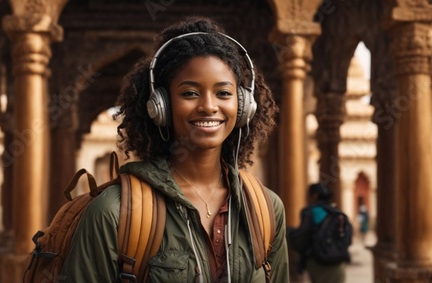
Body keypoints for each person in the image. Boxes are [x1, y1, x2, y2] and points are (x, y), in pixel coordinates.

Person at [61, 16, 289, 282]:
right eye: (190, 93)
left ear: (243, 107)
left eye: (224, 93)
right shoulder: (114, 212)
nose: (209, 106)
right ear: (160, 106)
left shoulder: (265, 209)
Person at [288, 183, 347, 283]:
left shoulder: (311, 212)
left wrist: (289, 234)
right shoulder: (337, 212)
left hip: (318, 265)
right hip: (338, 265)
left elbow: (302, 239)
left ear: (314, 195)